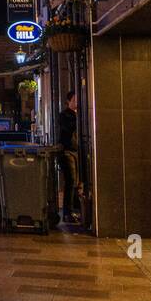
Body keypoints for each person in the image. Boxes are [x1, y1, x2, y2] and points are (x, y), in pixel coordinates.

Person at [57, 90, 82, 222]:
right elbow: (68, 129)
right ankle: (68, 211)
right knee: (71, 180)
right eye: (75, 100)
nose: (77, 103)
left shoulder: (79, 115)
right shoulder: (64, 115)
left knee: (76, 181)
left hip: (76, 150)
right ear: (69, 101)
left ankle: (75, 209)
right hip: (67, 151)